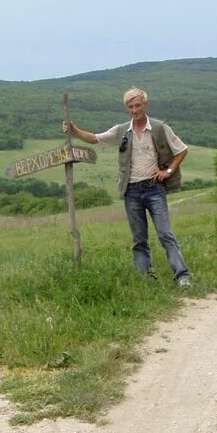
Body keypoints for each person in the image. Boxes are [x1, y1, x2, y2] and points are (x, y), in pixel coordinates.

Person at [63, 87, 192, 287]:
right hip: (131, 190)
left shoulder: (159, 128)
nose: (134, 110)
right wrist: (74, 129)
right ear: (127, 108)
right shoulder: (122, 130)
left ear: (145, 105)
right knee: (139, 239)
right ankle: (144, 279)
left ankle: (182, 276)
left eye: (137, 105)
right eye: (130, 106)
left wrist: (167, 172)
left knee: (165, 234)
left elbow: (182, 150)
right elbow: (95, 138)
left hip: (154, 187)